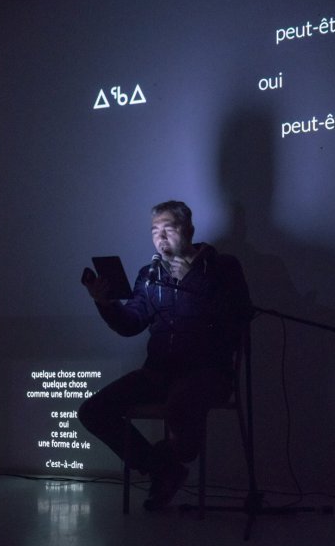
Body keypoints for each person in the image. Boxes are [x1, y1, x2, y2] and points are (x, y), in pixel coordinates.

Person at [79, 200, 251, 510]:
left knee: (181, 404)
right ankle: (163, 469)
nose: (161, 237)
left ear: (189, 231)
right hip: (158, 373)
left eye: (168, 229)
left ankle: (165, 465)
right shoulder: (149, 275)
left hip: (208, 373)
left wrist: (194, 280)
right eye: (155, 231)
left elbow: (238, 318)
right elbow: (130, 324)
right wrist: (105, 303)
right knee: (92, 411)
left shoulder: (223, 267)